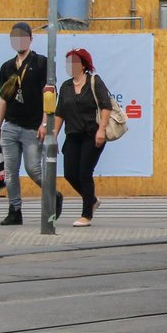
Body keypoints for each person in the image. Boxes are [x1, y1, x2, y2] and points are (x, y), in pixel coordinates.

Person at [0, 21, 57, 225]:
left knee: (33, 169)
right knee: (10, 171)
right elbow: (3, 98)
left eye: (22, 36)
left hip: (32, 126)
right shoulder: (6, 67)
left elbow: (50, 94)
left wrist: (44, 124)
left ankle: (55, 196)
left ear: (30, 39)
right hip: (10, 125)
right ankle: (15, 210)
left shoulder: (40, 63)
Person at [53, 48, 112, 227]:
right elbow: (59, 113)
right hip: (73, 135)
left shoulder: (94, 81)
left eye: (74, 62)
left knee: (84, 173)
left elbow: (106, 106)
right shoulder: (66, 86)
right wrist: (53, 137)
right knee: (71, 173)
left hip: (92, 135)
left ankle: (87, 214)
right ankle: (92, 200)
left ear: (84, 64)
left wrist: (101, 130)